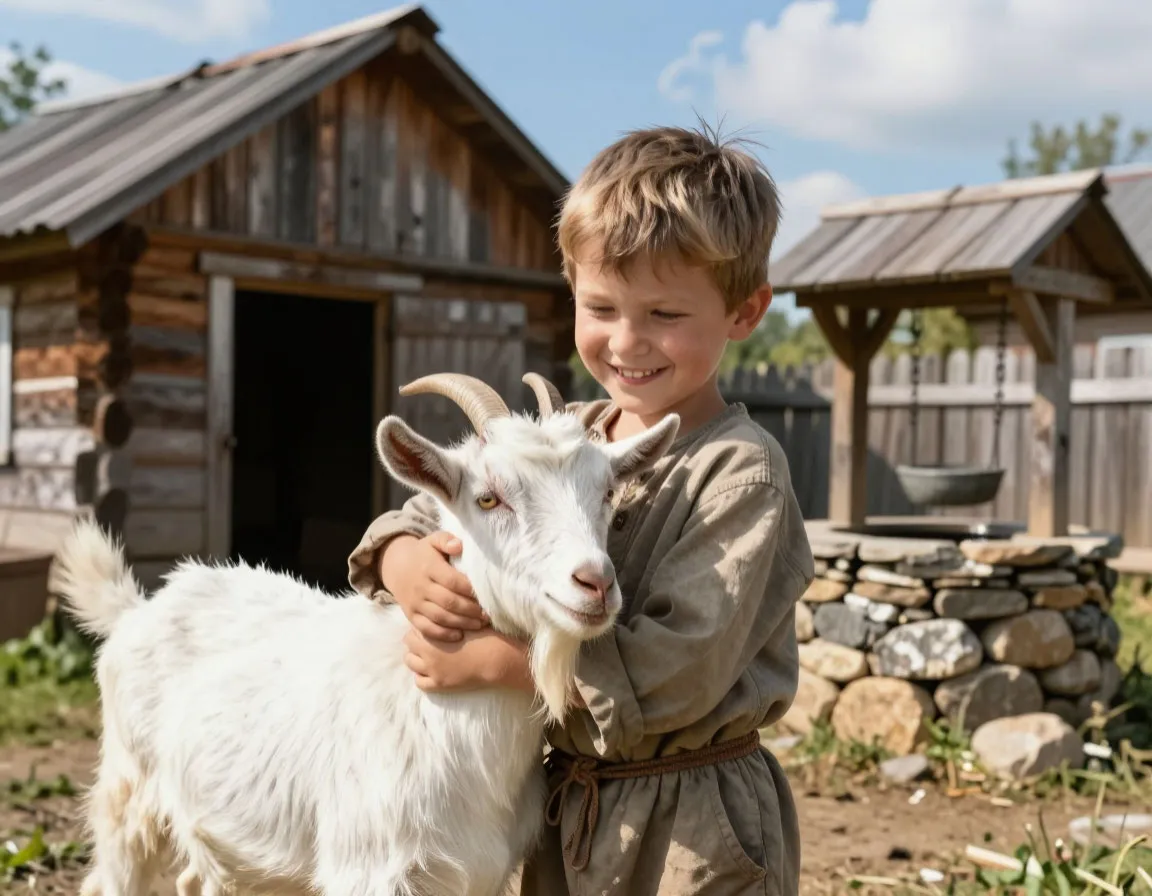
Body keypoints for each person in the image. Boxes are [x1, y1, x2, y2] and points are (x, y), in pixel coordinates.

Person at [347, 123, 815, 896]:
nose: (627, 342)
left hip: (692, 831)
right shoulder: (568, 436)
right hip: (566, 815)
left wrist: (495, 666)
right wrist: (403, 561)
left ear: (745, 311)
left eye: (665, 315)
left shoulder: (740, 476)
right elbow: (448, 512)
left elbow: (675, 676)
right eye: (601, 306)